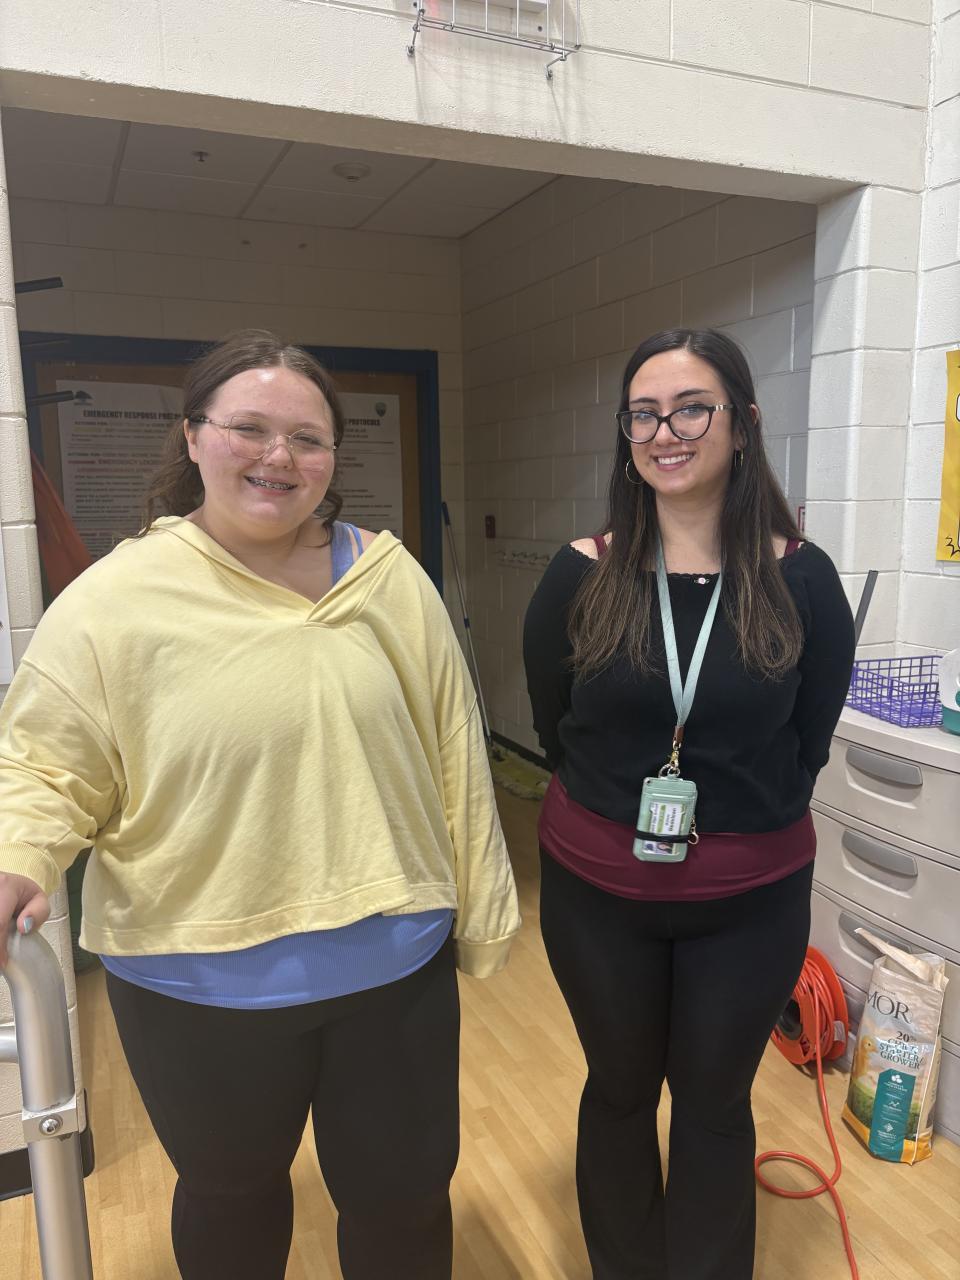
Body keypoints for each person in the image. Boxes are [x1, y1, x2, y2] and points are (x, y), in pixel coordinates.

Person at [0, 329, 520, 1280]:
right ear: (194, 436)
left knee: (404, 1200)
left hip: (393, 966)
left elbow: (457, 749)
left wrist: (481, 913)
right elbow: (40, 762)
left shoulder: (387, 577)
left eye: (308, 438)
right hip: (197, 979)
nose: (279, 456)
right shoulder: (116, 599)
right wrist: (19, 857)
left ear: (331, 458)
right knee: (231, 1201)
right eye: (249, 428)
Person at [523, 328, 855, 1280]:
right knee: (620, 1093)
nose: (665, 432)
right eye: (644, 414)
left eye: (691, 409)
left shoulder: (801, 579)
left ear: (742, 424)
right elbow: (556, 727)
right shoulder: (580, 573)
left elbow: (810, 740)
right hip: (598, 899)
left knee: (713, 1106)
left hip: (748, 907)